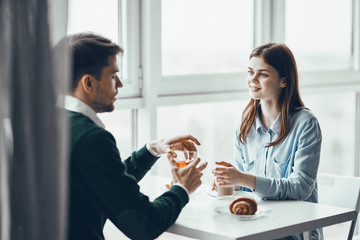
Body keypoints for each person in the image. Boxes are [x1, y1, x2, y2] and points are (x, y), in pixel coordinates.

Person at [60, 32, 207, 240]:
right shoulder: (91, 138)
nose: (119, 84)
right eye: (113, 76)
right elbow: (144, 224)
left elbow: (108, 183)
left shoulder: (46, 122)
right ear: (88, 83)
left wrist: (152, 149)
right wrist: (182, 188)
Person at [213, 43, 323, 240]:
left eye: (262, 74)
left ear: (283, 80)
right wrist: (231, 182)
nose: (252, 80)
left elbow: (300, 188)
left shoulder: (306, 124)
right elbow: (246, 188)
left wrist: (243, 179)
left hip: (293, 233)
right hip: (256, 229)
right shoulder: (245, 125)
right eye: (250, 72)